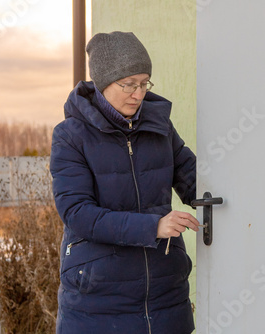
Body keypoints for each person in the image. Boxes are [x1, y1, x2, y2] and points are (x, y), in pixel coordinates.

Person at [50, 31, 198, 334]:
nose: (139, 94)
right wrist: (153, 227)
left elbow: (197, 181)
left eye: (144, 83)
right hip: (99, 300)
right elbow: (77, 213)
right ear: (104, 83)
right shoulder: (71, 136)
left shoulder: (159, 126)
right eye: (129, 84)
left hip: (165, 296)